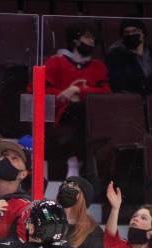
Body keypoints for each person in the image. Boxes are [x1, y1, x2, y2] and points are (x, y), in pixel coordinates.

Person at [38, 22, 111, 179]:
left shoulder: (98, 67)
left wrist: (78, 90)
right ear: (75, 40)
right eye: (87, 37)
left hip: (91, 116)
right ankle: (73, 161)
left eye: (93, 38)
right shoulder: (56, 62)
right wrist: (64, 94)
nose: (91, 41)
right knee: (77, 113)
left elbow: (106, 92)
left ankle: (76, 161)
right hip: (60, 116)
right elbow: (39, 89)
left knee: (83, 111)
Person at [106, 19, 152, 95]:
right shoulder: (115, 56)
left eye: (134, 31)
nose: (130, 35)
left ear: (143, 33)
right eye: (126, 32)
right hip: (132, 100)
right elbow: (118, 84)